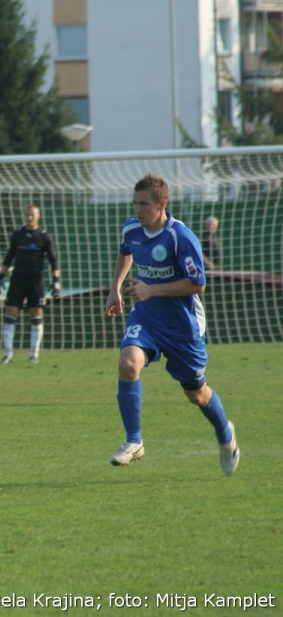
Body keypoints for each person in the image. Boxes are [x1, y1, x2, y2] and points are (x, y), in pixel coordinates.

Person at [103, 174, 239, 475]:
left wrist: (152, 289)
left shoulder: (181, 237)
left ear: (162, 204)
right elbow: (126, 250)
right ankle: (134, 441)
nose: (138, 210)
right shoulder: (132, 228)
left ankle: (225, 434)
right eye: (135, 203)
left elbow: (198, 284)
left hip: (182, 326)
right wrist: (116, 287)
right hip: (148, 317)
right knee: (128, 362)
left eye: (144, 204)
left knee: (197, 394)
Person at [0, 204, 60, 364]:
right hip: (17, 279)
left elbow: (53, 260)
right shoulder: (18, 234)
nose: (29, 217)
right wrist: (1, 276)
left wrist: (56, 282)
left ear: (38, 216)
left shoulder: (44, 236)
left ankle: (33, 355)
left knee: (36, 316)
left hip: (36, 281)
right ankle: (8, 354)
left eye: (32, 215)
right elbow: (9, 257)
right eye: (27, 214)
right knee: (10, 314)